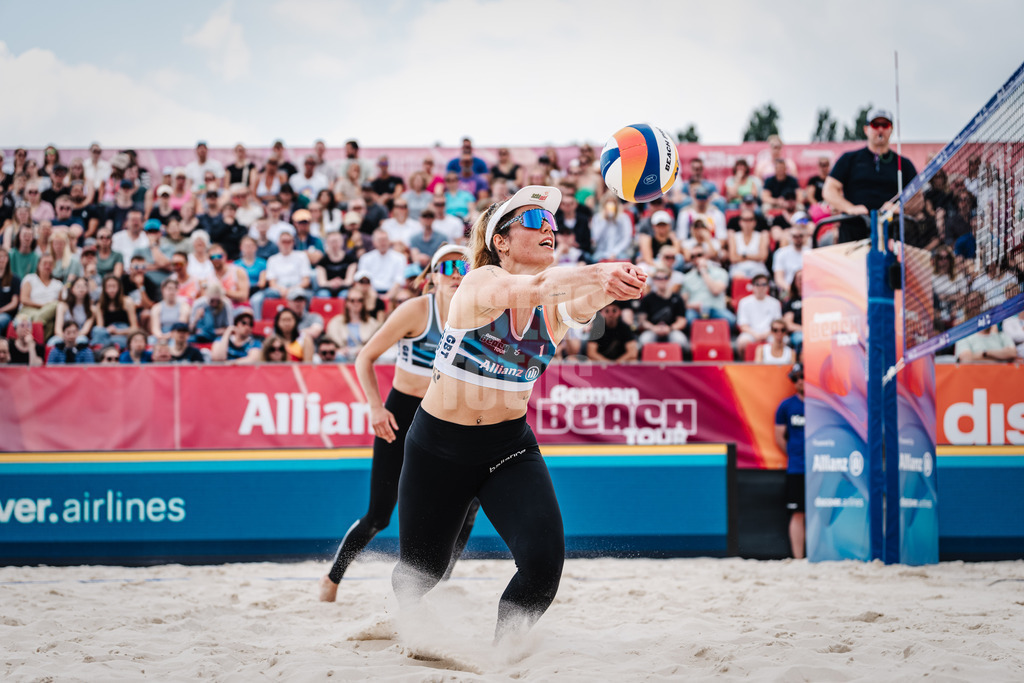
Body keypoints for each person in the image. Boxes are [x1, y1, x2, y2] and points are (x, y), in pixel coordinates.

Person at [390, 186, 646, 641]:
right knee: (422, 570)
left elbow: (583, 301)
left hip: (507, 447)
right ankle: (407, 622)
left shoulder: (554, 309)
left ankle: (501, 658)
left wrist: (612, 285)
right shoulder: (480, 283)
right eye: (533, 221)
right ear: (500, 242)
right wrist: (596, 271)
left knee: (544, 564)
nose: (548, 228)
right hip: (438, 447)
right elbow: (537, 286)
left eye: (552, 223)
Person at [319, 245, 477, 602]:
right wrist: (375, 408)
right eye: (447, 266)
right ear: (432, 276)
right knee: (379, 515)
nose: (455, 272)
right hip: (402, 414)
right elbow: (365, 358)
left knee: (468, 506)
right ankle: (332, 579)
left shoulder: (478, 313)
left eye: (463, 266)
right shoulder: (416, 311)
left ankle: (439, 584)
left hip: (444, 418)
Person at [823, 108, 919, 243]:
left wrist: (900, 208)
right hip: (855, 228)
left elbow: (918, 198)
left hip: (892, 231)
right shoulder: (849, 159)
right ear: (866, 129)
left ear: (891, 129)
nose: (880, 129)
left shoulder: (903, 164)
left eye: (885, 125)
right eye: (875, 125)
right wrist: (850, 208)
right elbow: (829, 190)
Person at [774, 363, 806, 559]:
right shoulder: (786, 406)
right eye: (796, 378)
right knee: (797, 513)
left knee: (821, 511)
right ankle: (798, 559)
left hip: (822, 465)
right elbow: (779, 437)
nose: (800, 380)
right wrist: (794, 454)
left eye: (803, 376)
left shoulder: (822, 404)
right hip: (796, 467)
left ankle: (820, 556)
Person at [636, 267, 689, 354]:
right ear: (654, 280)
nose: (662, 280)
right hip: (652, 330)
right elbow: (642, 321)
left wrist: (670, 328)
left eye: (665, 278)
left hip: (671, 330)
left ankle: (679, 365)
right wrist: (653, 328)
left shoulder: (677, 298)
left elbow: (682, 321)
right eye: (658, 278)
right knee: (643, 340)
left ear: (670, 279)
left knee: (681, 341)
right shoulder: (647, 299)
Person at [736, 274, 782, 356]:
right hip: (751, 333)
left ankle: (776, 365)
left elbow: (778, 324)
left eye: (764, 284)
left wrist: (767, 334)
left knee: (782, 340)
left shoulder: (775, 303)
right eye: (757, 284)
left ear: (768, 287)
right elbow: (743, 325)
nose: (761, 287)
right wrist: (755, 334)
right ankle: (744, 365)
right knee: (742, 342)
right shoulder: (744, 302)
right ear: (753, 287)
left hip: (770, 333)